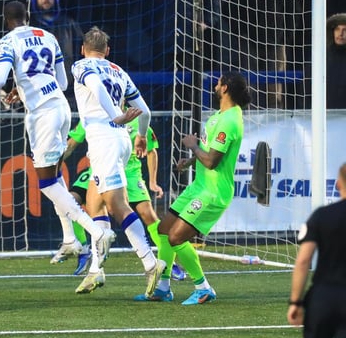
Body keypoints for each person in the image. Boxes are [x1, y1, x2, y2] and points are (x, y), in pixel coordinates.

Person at [0, 1, 119, 286]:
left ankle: (94, 233)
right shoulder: (48, 36)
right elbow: (61, 82)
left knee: (46, 184)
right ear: (27, 16)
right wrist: (21, 89)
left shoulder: (7, 41)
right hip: (62, 109)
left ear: (5, 21)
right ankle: (70, 239)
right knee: (55, 178)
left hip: (42, 117)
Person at [135, 71, 251, 304]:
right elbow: (208, 153)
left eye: (218, 82)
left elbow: (212, 161)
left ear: (225, 88)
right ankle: (164, 288)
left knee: (177, 238)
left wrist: (192, 145)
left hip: (213, 193)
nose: (215, 85)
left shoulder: (230, 121)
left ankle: (203, 288)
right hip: (199, 187)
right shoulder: (219, 116)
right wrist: (190, 160)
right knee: (164, 231)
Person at [69, 27, 165, 295]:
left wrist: (115, 115)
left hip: (105, 140)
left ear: (82, 48)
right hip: (121, 140)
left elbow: (96, 86)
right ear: (107, 51)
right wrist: (142, 135)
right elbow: (144, 110)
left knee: (117, 205)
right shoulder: (118, 70)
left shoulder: (81, 65)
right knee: (93, 201)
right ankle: (95, 271)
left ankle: (150, 262)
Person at [60, 119, 186, 281]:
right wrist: (54, 164)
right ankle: (85, 250)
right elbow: (71, 144)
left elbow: (151, 151)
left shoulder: (138, 119)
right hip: (98, 169)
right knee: (69, 202)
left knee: (148, 214)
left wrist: (153, 182)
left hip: (130, 172)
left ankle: (167, 262)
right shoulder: (91, 115)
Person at [287, 163, 346, 338]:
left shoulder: (322, 215)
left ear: (338, 184)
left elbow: (303, 261)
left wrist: (295, 302)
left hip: (323, 297)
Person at [29, 0, 83, 110]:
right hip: (38, 91)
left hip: (68, 90)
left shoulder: (68, 23)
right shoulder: (30, 25)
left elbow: (82, 50)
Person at [326, 13, 346, 109]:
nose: (340, 34)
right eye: (337, 29)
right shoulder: (322, 57)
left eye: (345, 30)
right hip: (326, 115)